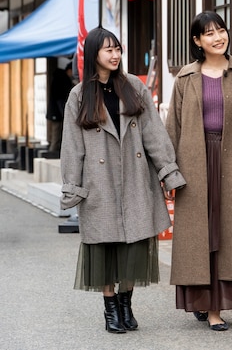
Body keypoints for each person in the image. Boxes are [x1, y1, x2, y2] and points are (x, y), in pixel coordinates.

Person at [60, 27, 186, 334]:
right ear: (94, 55)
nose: (115, 55)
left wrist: (168, 171)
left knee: (134, 246)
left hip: (135, 177)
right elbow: (72, 147)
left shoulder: (134, 87)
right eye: (108, 50)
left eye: (118, 49)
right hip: (98, 183)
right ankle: (110, 308)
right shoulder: (79, 96)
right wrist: (73, 187)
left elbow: (154, 133)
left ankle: (127, 302)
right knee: (105, 248)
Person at [166, 11, 232, 331]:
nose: (218, 37)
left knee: (225, 234)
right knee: (202, 234)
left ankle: (215, 307)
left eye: (221, 30)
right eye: (209, 33)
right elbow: (172, 127)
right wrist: (168, 172)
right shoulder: (186, 78)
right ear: (197, 41)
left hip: (231, 163)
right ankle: (205, 302)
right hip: (194, 163)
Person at [46, 61, 75, 152]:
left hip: (53, 113)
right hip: (56, 113)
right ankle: (52, 155)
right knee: (56, 137)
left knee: (54, 137)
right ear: (69, 70)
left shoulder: (58, 78)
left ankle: (52, 152)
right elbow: (60, 99)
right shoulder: (62, 80)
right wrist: (64, 114)